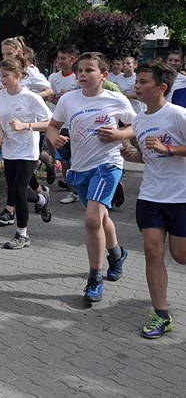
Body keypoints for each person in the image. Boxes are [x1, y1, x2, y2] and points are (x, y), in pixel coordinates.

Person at [48, 52, 136, 303]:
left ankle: (94, 278)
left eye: (89, 70)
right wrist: (54, 138)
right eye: (80, 71)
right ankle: (117, 254)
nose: (82, 75)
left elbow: (134, 125)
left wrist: (119, 136)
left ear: (104, 75)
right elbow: (53, 125)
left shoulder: (116, 99)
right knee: (100, 217)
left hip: (108, 166)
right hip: (81, 168)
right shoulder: (69, 99)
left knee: (91, 220)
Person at [120, 60, 186, 338]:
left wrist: (168, 149)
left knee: (180, 256)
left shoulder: (178, 115)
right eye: (137, 81)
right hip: (150, 195)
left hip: (181, 196)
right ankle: (161, 313)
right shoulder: (140, 119)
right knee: (152, 252)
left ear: (161, 87)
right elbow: (150, 158)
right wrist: (133, 156)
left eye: (143, 81)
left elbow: (165, 150)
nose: (137, 86)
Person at [0, 57, 54, 249]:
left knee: (18, 191)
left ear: (18, 75)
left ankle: (22, 234)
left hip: (28, 151)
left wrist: (25, 126)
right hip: (10, 150)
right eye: (0, 76)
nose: (2, 80)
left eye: (5, 76)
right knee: (14, 190)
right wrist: (0, 135)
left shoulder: (31, 97)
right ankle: (41, 198)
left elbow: (50, 122)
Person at [48, 43, 81, 205]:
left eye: (63, 58)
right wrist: (53, 98)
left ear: (72, 59)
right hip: (62, 125)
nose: (59, 61)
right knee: (66, 160)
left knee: (80, 159)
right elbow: (50, 97)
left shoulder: (79, 76)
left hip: (78, 124)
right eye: (58, 58)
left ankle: (83, 188)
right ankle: (72, 191)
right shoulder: (53, 78)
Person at [0, 36, 53, 100]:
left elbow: (49, 90)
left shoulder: (29, 71)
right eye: (3, 54)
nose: (6, 58)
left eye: (9, 53)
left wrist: (31, 97)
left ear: (19, 52)